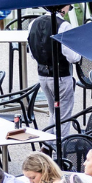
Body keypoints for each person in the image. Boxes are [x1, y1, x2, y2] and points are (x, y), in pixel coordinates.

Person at [27, 7, 80, 138]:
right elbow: (73, 57)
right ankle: (58, 153)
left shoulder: (33, 23)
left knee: (53, 113)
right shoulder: (64, 26)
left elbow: (32, 54)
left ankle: (47, 146)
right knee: (63, 118)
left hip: (42, 75)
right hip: (61, 75)